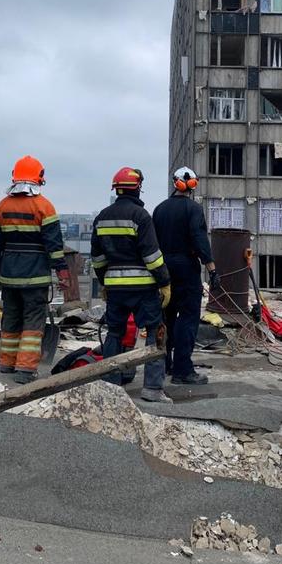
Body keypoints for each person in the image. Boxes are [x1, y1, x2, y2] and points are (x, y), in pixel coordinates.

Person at [91, 167, 171, 403]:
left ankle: (110, 386)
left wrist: (105, 281)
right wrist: (164, 282)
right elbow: (152, 256)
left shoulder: (102, 217)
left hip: (115, 287)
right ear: (137, 188)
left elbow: (97, 258)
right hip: (143, 287)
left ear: (116, 189)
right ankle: (153, 389)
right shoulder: (141, 216)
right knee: (155, 332)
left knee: (114, 333)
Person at [0, 156, 70, 384]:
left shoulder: (2, 206)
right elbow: (54, 246)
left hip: (9, 275)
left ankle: (6, 362)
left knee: (11, 317)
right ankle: (25, 369)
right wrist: (62, 273)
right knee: (33, 321)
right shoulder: (44, 206)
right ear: (39, 178)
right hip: (35, 276)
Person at [152, 166, 220, 384]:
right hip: (186, 268)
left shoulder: (159, 210)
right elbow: (200, 240)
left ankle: (165, 365)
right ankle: (183, 370)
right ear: (192, 184)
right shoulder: (194, 209)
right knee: (188, 318)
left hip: (163, 269)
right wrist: (212, 269)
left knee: (167, 318)